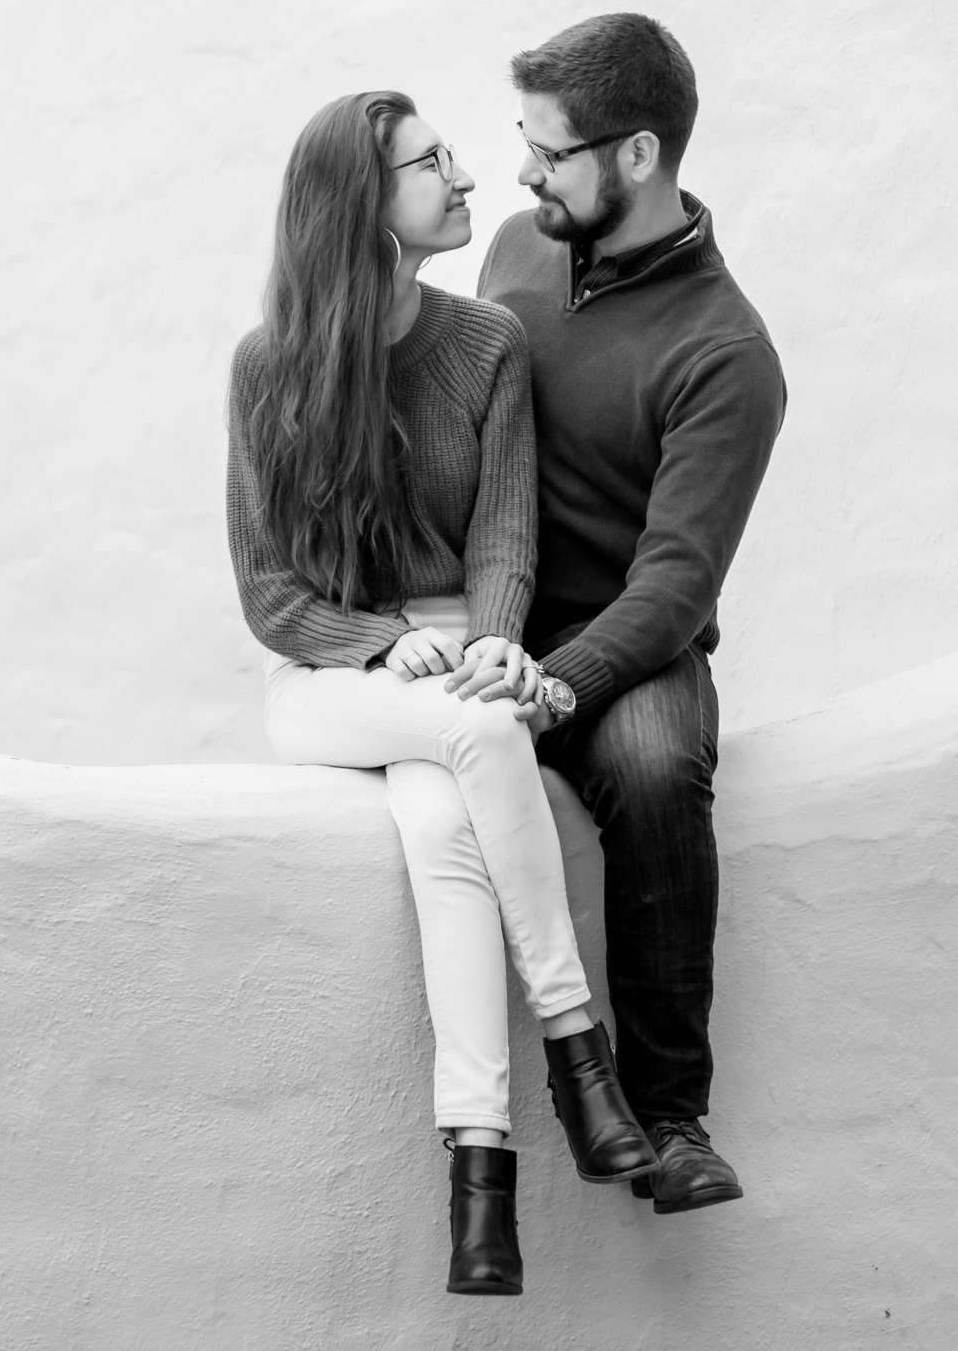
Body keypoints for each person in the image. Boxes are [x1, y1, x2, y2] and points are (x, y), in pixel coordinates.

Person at [226, 88, 657, 1298]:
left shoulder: (483, 345)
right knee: (473, 744)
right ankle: (580, 1051)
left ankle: (482, 1186)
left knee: (441, 844)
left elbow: (504, 536)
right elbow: (268, 591)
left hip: (462, 668)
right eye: (431, 164)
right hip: (327, 676)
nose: (465, 177)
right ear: (363, 208)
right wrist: (377, 643)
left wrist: (494, 643)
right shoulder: (269, 369)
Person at [476, 13, 787, 1214]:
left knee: (658, 770)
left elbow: (675, 586)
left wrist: (562, 681)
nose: (522, 174)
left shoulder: (726, 352)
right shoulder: (512, 251)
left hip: (629, 647)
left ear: (640, 155)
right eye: (524, 143)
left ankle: (671, 1120)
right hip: (483, 618)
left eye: (548, 153)